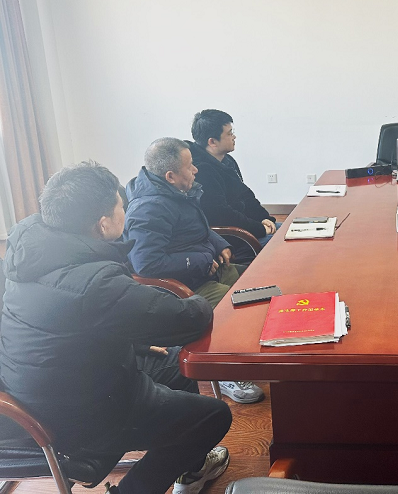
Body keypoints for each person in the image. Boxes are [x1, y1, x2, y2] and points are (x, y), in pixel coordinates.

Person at [0, 162, 232, 493]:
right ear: (103, 223)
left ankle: (191, 468)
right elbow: (187, 319)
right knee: (215, 415)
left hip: (40, 388)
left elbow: (70, 322)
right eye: (121, 205)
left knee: (178, 364)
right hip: (79, 414)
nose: (126, 210)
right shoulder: (94, 282)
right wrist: (201, 299)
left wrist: (137, 340)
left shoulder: (30, 249)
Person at [125, 138, 264, 404]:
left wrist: (220, 244)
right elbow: (146, 264)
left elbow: (199, 228)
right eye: (190, 166)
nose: (196, 170)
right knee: (239, 307)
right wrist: (202, 258)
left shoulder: (177, 191)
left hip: (206, 270)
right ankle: (224, 373)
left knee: (262, 285)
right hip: (185, 287)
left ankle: (251, 353)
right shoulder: (148, 209)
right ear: (170, 175)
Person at [190, 109, 278, 261]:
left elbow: (245, 194)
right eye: (229, 133)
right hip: (234, 239)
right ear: (212, 142)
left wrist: (263, 218)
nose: (234, 137)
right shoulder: (201, 171)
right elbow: (222, 215)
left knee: (291, 231)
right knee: (285, 243)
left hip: (247, 227)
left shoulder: (226, 160)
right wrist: (259, 228)